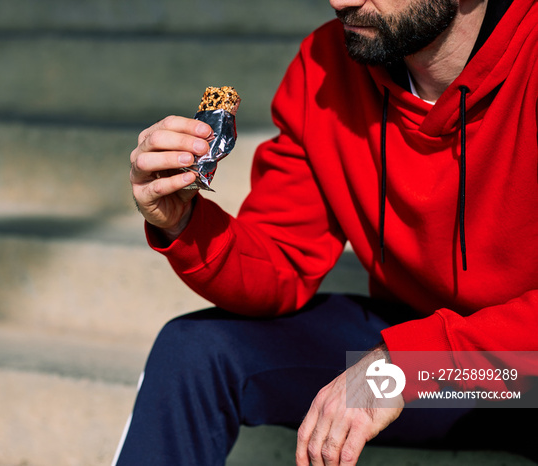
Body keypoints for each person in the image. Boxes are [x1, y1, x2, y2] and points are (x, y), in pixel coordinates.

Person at [116, 0, 538, 463]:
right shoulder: (328, 63)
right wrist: (184, 222)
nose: (341, 0)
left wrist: (410, 361)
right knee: (195, 350)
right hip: (423, 362)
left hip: (522, 368)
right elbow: (282, 260)